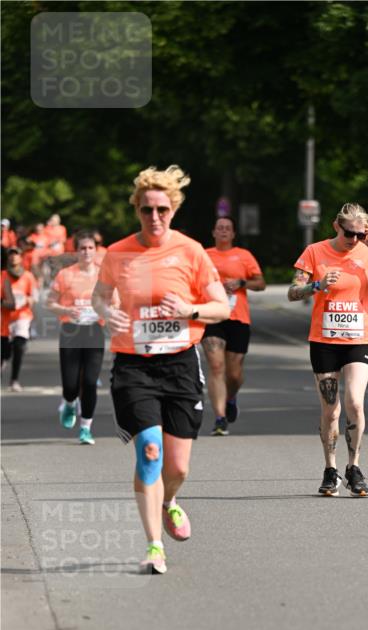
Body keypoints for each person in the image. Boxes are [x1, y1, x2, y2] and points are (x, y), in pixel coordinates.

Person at [92, 165, 229, 574]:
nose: (155, 217)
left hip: (180, 364)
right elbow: (100, 297)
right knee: (149, 449)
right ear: (137, 209)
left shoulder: (191, 251)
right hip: (133, 365)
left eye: (163, 210)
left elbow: (222, 307)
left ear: (174, 210)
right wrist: (106, 314)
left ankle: (169, 500)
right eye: (147, 209)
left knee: (178, 466)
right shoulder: (117, 253)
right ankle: (154, 545)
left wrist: (191, 309)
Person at [288, 202, 368, 496]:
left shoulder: (367, 252)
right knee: (331, 411)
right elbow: (292, 292)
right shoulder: (315, 251)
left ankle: (354, 467)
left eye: (361, 234)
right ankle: (330, 469)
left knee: (355, 403)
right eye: (350, 233)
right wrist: (318, 285)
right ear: (337, 226)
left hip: (359, 339)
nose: (355, 239)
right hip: (324, 341)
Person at [202, 216, 266, 435]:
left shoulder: (244, 255)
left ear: (233, 234)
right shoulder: (204, 256)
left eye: (227, 228)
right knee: (216, 366)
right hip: (212, 316)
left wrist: (241, 283)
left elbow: (261, 283)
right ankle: (220, 418)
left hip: (238, 317)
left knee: (235, 374)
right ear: (213, 232)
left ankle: (230, 398)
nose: (223, 231)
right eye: (219, 228)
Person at [47, 230, 105, 444]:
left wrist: (103, 312)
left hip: (94, 331)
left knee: (90, 381)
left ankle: (86, 428)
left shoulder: (103, 274)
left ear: (95, 250)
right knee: (71, 385)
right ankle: (70, 403)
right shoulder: (66, 274)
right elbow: (50, 303)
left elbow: (115, 303)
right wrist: (66, 310)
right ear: (76, 251)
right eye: (83, 248)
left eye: (90, 248)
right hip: (70, 331)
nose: (87, 252)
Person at [1, 246, 38, 390]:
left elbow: (34, 295)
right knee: (5, 351)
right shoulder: (2, 275)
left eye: (16, 254)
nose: (13, 257)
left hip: (22, 315)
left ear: (21, 257)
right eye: (11, 254)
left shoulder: (28, 276)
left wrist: (29, 300)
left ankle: (14, 380)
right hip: (4, 317)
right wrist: (6, 303)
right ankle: (4, 358)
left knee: (19, 346)